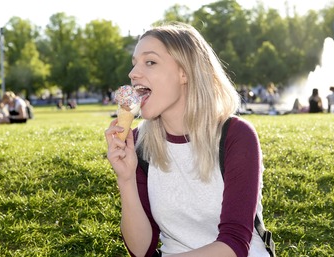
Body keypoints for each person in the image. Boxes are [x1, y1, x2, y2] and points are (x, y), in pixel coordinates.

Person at [105, 22, 270, 257]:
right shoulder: (138, 142)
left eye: (150, 62)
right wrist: (126, 178)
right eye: (134, 64)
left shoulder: (236, 135)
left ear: (185, 72)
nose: (133, 74)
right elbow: (141, 250)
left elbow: (234, 244)